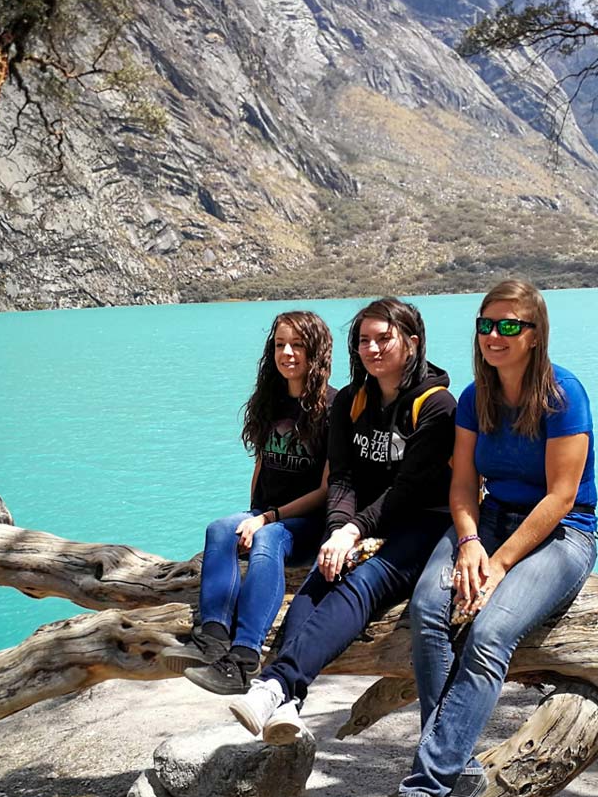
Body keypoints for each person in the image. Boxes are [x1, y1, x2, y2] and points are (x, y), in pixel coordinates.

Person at [380, 280, 598, 797]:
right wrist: (472, 542)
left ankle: (426, 794)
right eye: (487, 324)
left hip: (562, 535)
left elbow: (560, 497)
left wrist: (499, 565)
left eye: (510, 326)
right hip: (487, 523)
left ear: (534, 334)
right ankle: (457, 768)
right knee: (428, 610)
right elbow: (461, 486)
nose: (495, 336)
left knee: (489, 635)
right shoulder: (476, 397)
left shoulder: (563, 395)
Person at [227, 296, 457, 745]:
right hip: (363, 520)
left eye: (383, 339)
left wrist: (353, 531)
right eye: (363, 341)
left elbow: (407, 491)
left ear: (411, 342)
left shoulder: (437, 406)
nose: (371, 349)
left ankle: (275, 683)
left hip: (423, 521)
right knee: (321, 575)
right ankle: (290, 702)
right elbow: (344, 479)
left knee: (364, 583)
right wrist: (336, 533)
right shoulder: (351, 402)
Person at [161, 311, 335, 694]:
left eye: (297, 345)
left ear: (316, 351)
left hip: (307, 524)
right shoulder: (270, 402)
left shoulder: (333, 408)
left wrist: (267, 520)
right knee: (220, 528)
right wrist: (251, 515)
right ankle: (213, 638)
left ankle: (243, 659)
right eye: (279, 345)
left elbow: (326, 490)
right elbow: (261, 467)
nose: (287, 353)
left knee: (269, 540)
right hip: (268, 514)